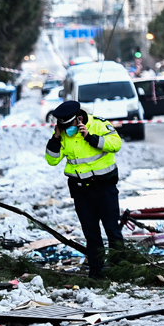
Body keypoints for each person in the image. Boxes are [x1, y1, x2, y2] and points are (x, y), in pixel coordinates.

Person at [44, 101, 124, 278]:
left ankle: (121, 268)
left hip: (104, 187)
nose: (66, 129)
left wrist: (90, 137)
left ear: (78, 118)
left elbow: (115, 144)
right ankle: (96, 271)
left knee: (112, 229)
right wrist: (55, 138)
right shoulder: (62, 132)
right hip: (81, 191)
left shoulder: (98, 124)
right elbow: (52, 160)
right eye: (62, 126)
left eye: (68, 125)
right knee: (91, 233)